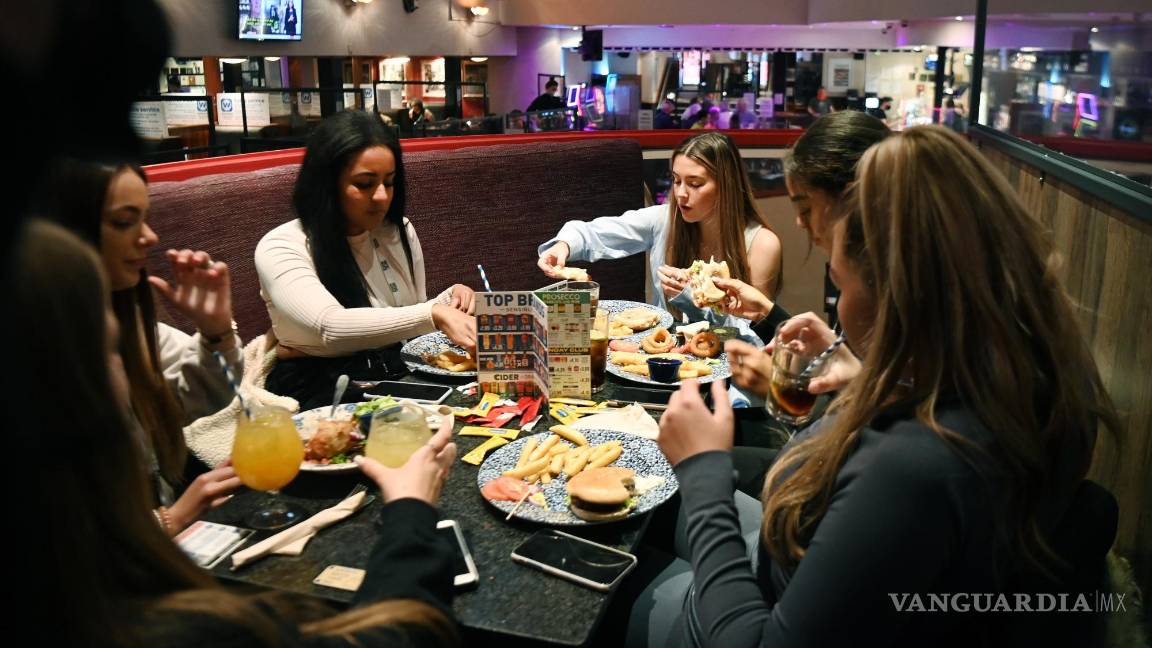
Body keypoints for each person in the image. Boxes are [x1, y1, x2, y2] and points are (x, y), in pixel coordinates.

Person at [631, 125, 1119, 647]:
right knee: (648, 493)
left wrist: (706, 470)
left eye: (840, 284)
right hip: (788, 558)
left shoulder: (909, 468)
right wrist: (853, 378)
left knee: (619, 583)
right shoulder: (1011, 378)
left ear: (897, 292)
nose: (838, 306)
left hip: (751, 612)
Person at [13, 219, 461, 646]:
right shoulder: (162, 623)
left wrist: (214, 336)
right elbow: (398, 635)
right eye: (110, 350)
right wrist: (411, 512)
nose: (149, 236)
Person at [40, 158, 245, 535]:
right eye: (123, 221)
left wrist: (216, 332)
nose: (150, 236)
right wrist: (170, 520)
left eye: (145, 217)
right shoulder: (38, 353)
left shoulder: (125, 317)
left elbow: (194, 400)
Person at [257, 110, 476, 409]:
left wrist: (449, 301)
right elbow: (329, 328)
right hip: (318, 383)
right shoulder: (281, 246)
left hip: (394, 369)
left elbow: (408, 316)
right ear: (326, 183)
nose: (381, 197)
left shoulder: (399, 230)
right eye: (364, 184)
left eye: (389, 182)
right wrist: (433, 313)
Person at [718, 110, 890, 400]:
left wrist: (784, 392)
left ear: (850, 201)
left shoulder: (888, 289)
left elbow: (868, 425)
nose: (800, 222)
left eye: (806, 208)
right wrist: (766, 311)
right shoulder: (877, 269)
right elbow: (854, 386)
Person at [538, 131, 780, 321]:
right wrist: (564, 246)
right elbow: (595, 233)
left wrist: (688, 296)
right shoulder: (664, 219)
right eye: (676, 181)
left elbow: (753, 328)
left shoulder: (761, 243)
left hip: (729, 364)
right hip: (662, 360)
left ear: (725, 186)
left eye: (695, 184)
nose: (681, 194)